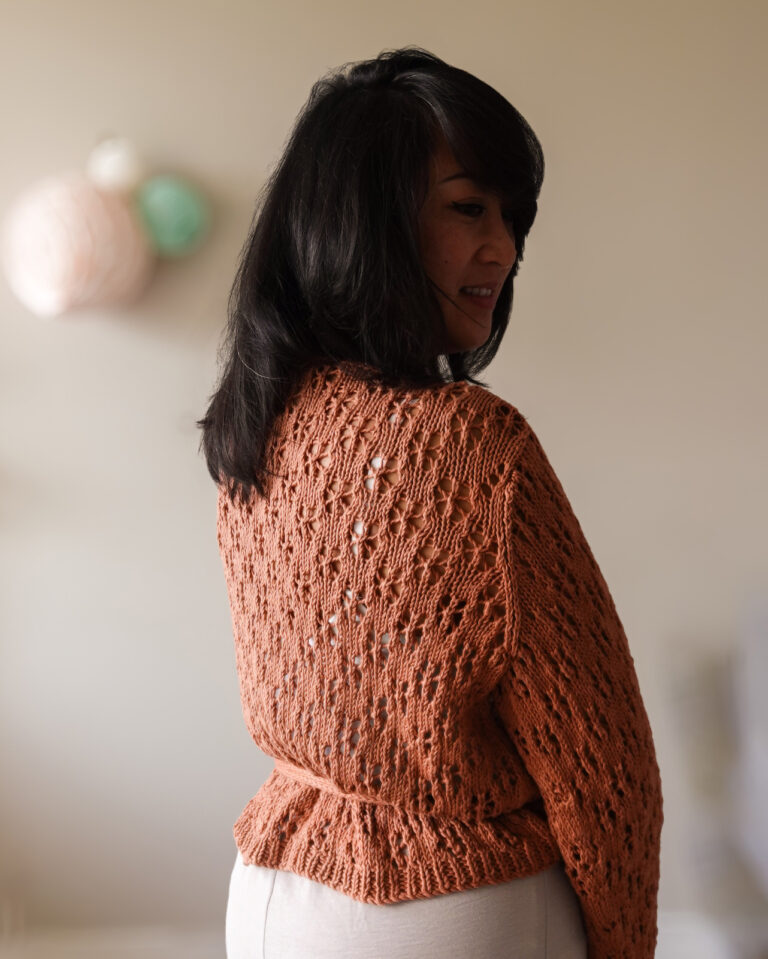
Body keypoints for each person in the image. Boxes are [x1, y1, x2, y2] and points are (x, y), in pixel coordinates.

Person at [198, 47, 663, 959]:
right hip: (452, 909)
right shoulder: (475, 446)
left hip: (271, 894)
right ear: (366, 219)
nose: (505, 248)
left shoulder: (257, 419)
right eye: (467, 208)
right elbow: (600, 765)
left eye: (511, 215)